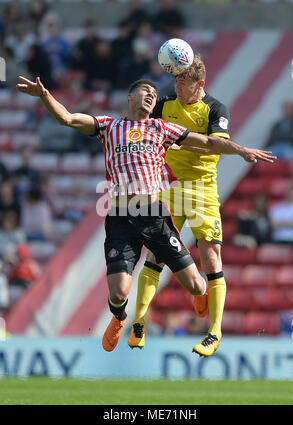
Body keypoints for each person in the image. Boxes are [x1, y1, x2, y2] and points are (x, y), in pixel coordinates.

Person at [16, 76, 275, 354]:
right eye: (145, 91)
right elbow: (67, 118)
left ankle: (201, 293)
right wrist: (44, 95)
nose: (152, 95)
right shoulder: (108, 126)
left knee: (197, 284)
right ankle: (119, 317)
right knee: (118, 293)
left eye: (154, 93)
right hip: (120, 217)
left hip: (154, 215)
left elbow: (209, 143)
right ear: (130, 97)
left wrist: (241, 150)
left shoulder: (160, 127)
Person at [128, 55, 242, 357]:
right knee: (155, 253)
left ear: (199, 84)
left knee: (211, 257)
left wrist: (180, 141)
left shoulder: (216, 109)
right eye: (176, 80)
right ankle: (138, 322)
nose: (178, 86)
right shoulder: (165, 105)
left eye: (184, 82)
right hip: (171, 187)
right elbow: (138, 123)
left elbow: (217, 144)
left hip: (203, 188)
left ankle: (214, 332)